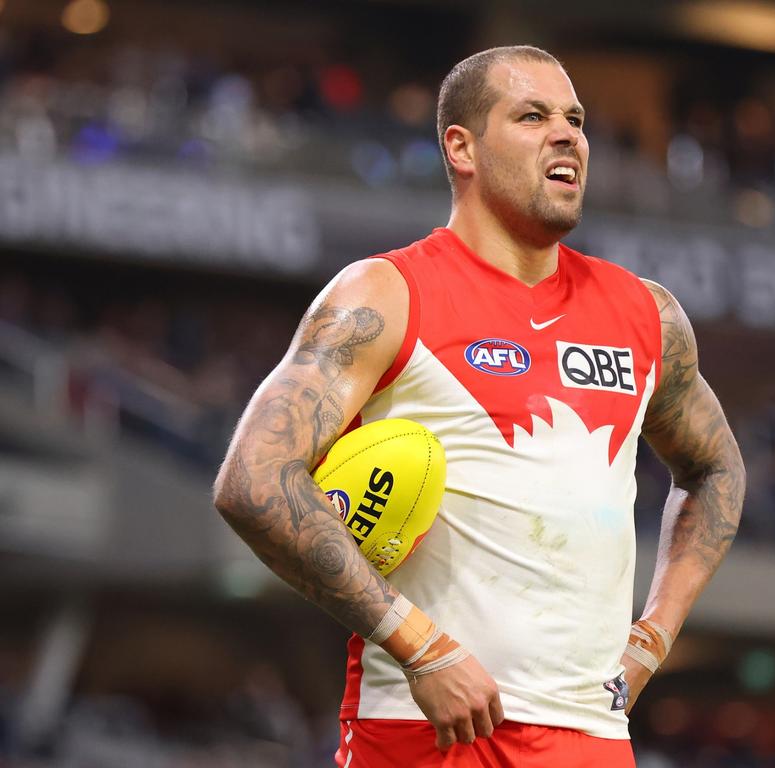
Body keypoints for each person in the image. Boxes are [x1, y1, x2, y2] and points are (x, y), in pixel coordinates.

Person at [213, 45, 745, 768]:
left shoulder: (647, 315)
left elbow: (715, 469)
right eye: (532, 116)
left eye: (576, 120)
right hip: (426, 730)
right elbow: (254, 480)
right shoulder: (385, 295)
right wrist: (417, 645)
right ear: (461, 147)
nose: (568, 135)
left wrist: (655, 633)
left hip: (591, 738)